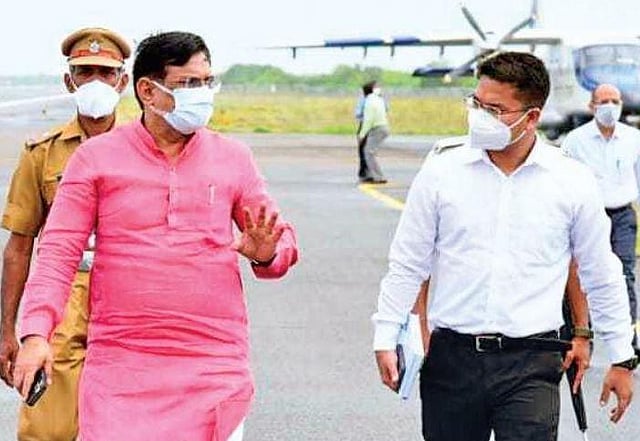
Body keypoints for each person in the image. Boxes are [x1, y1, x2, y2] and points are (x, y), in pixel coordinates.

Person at [12, 31, 298, 441]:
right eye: (188, 83)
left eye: (207, 82)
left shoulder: (233, 158)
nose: (202, 94)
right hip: (122, 369)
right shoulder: (95, 159)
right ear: (147, 91)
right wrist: (36, 334)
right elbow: (57, 253)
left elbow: (281, 243)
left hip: (213, 368)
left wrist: (266, 254)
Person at [373, 52, 636, 441]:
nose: (479, 116)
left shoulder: (571, 181)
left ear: (531, 118)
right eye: (476, 104)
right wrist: (385, 335)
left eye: (494, 110)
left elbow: (600, 272)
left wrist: (621, 356)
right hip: (453, 360)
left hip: (532, 361)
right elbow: (409, 262)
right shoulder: (442, 172)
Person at [0, 27, 130, 441]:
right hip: (62, 302)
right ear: (68, 81)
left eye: (106, 73)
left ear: (123, 81)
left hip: (129, 300)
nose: (95, 81)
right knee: (48, 430)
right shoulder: (43, 153)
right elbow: (19, 247)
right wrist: (7, 331)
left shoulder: (145, 149)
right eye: (84, 72)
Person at [562, 83, 640, 357]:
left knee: (625, 273)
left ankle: (629, 338)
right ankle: (582, 334)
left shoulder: (633, 139)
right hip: (590, 217)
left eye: (615, 101)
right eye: (604, 101)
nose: (609, 107)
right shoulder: (575, 141)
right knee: (582, 274)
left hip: (622, 215)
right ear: (591, 106)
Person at [358, 80, 390, 184]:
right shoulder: (378, 99)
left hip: (376, 128)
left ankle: (378, 176)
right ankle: (374, 175)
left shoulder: (369, 102)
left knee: (369, 153)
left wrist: (362, 134)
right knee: (370, 152)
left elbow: (368, 119)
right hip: (383, 127)